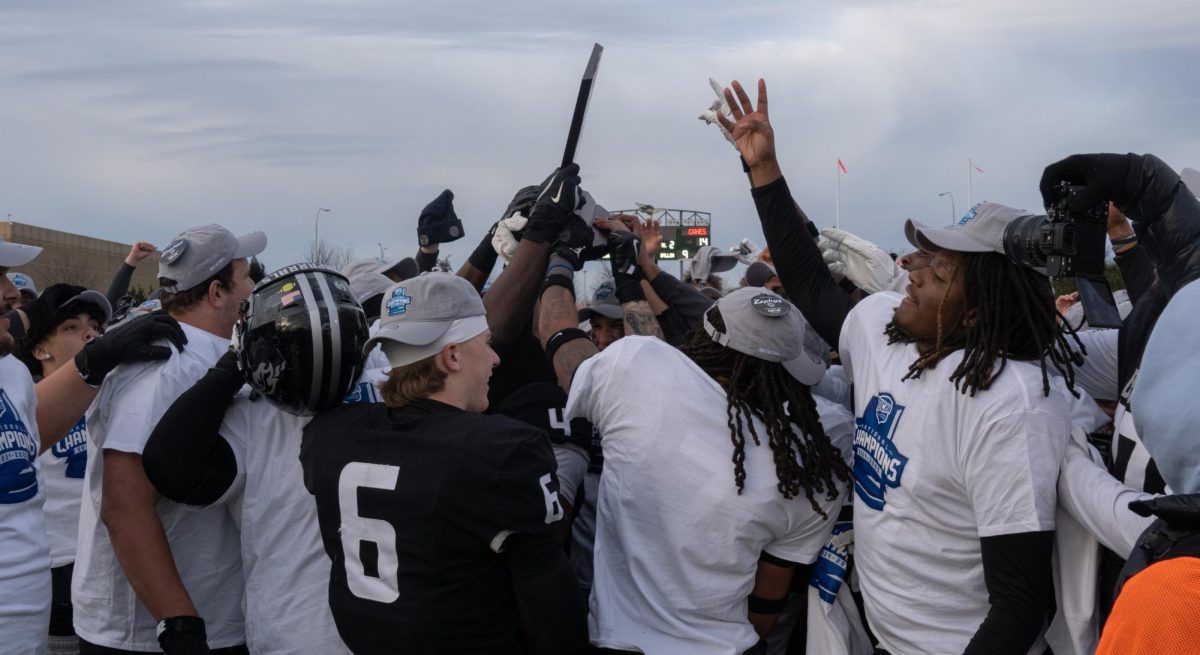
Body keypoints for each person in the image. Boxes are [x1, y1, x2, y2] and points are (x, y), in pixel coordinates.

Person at [716, 78, 1079, 654]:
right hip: (876, 635)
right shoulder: (885, 332)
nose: (911, 269)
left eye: (937, 270)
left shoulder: (1011, 404)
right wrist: (764, 169)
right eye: (921, 256)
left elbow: (1018, 602)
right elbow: (809, 281)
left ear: (981, 310)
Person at [541, 248, 852, 653]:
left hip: (619, 641)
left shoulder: (636, 368)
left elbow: (557, 336)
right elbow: (764, 610)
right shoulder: (812, 474)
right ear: (788, 375)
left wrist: (559, 258)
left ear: (703, 337)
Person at [300, 272, 587, 654]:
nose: (495, 357)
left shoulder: (328, 434)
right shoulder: (500, 449)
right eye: (486, 344)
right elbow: (553, 603)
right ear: (452, 355)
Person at [143, 264, 372, 654]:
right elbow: (171, 470)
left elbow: (170, 468)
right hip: (355, 628)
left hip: (297, 631)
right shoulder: (389, 388)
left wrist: (235, 361)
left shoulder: (254, 411)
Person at [73, 223, 265, 654]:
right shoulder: (167, 361)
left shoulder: (195, 351)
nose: (255, 287)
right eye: (247, 277)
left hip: (201, 612)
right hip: (149, 633)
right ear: (216, 292)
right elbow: (125, 507)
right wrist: (181, 626)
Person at [17, 284, 112, 654]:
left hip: (110, 557)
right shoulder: (22, 401)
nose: (89, 332)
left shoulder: (115, 393)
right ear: (40, 349)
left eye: (94, 324)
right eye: (71, 327)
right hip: (57, 567)